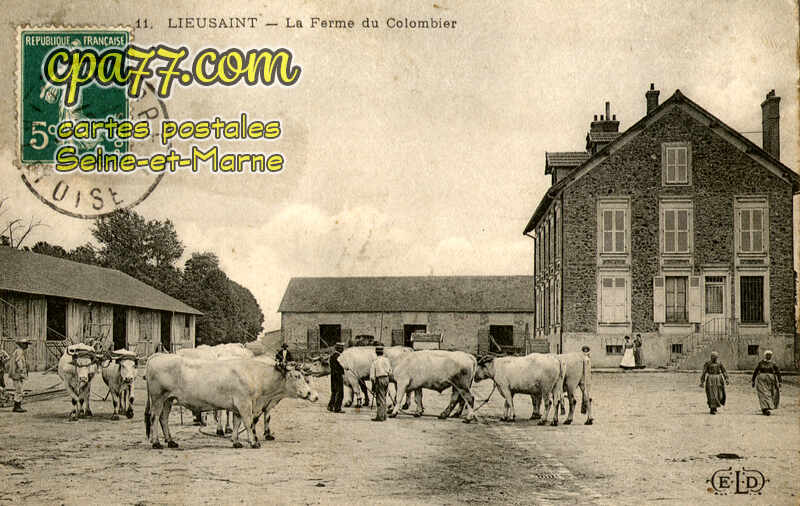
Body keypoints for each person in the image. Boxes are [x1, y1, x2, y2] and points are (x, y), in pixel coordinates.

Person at [751, 350, 781, 416]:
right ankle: (764, 408)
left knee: (769, 394)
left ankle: (768, 406)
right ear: (765, 355)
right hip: (761, 381)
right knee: (763, 394)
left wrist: (779, 381)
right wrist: (753, 380)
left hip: (771, 382)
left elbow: (778, 372)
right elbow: (756, 371)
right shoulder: (761, 363)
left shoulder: (773, 364)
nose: (768, 356)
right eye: (767, 355)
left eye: (770, 355)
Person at [369, 345, 393, 422]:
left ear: (376, 353)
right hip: (386, 378)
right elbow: (390, 371)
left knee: (380, 398)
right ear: (382, 352)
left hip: (379, 379)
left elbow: (372, 377)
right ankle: (384, 415)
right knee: (384, 397)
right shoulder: (386, 360)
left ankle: (380, 416)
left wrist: (373, 385)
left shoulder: (375, 362)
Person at [9, 338, 30, 413]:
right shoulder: (19, 351)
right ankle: (17, 407)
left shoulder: (18, 351)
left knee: (19, 390)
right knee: (19, 390)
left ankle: (17, 406)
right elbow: (19, 362)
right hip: (17, 374)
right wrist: (21, 371)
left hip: (16, 373)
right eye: (26, 344)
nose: (27, 346)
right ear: (22, 344)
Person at [327, 342, 345, 413]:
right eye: (342, 348)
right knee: (340, 392)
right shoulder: (339, 357)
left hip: (333, 376)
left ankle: (330, 406)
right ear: (339, 349)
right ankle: (337, 408)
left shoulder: (332, 356)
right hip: (338, 376)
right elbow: (343, 365)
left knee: (334, 391)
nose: (343, 349)